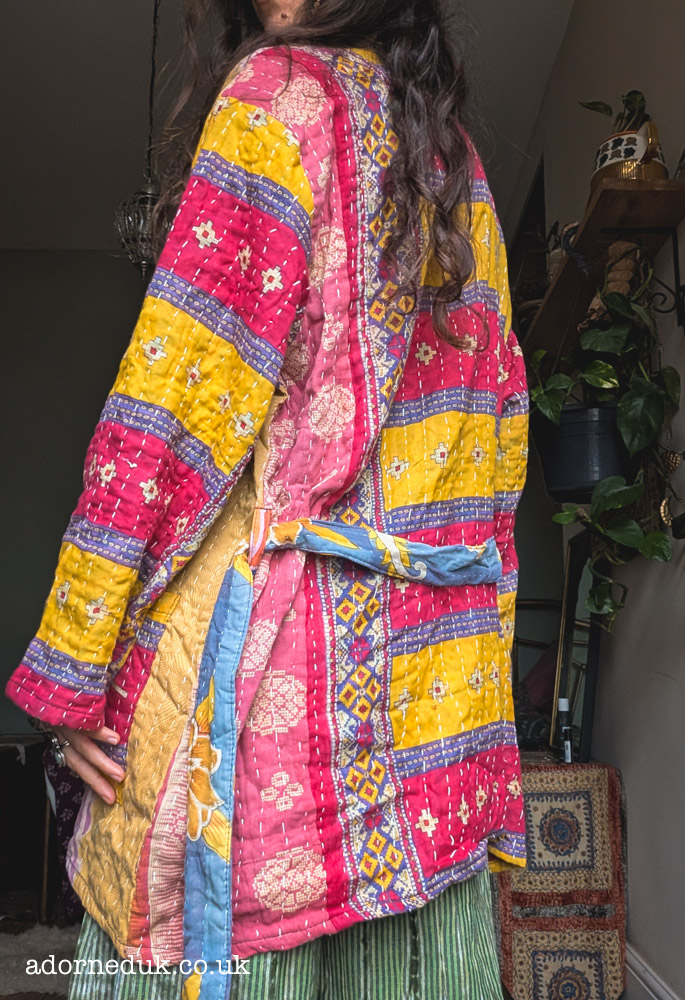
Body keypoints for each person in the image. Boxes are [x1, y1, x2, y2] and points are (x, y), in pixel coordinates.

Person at [5, 0, 530, 997]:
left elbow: (171, 404)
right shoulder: (456, 162)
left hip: (273, 740)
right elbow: (495, 451)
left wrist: (74, 664)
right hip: (432, 723)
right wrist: (482, 690)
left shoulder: (279, 96)